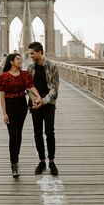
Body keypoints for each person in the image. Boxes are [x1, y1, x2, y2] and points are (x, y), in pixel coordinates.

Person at [0, 53, 41, 178]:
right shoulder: (4, 77)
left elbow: (31, 87)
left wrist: (38, 97)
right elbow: (2, 97)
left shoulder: (24, 75)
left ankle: (16, 159)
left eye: (20, 58)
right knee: (13, 134)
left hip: (22, 105)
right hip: (10, 106)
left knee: (19, 133)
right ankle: (14, 164)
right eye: (18, 59)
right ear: (11, 62)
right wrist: (4, 113)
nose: (20, 60)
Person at [27, 42, 59, 176]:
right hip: (35, 104)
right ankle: (41, 161)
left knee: (49, 132)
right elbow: (28, 88)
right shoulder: (30, 68)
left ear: (40, 52)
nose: (30, 56)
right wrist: (35, 100)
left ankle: (51, 161)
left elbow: (54, 89)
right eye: (29, 54)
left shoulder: (52, 67)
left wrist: (43, 100)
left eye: (32, 53)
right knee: (37, 133)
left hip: (48, 104)